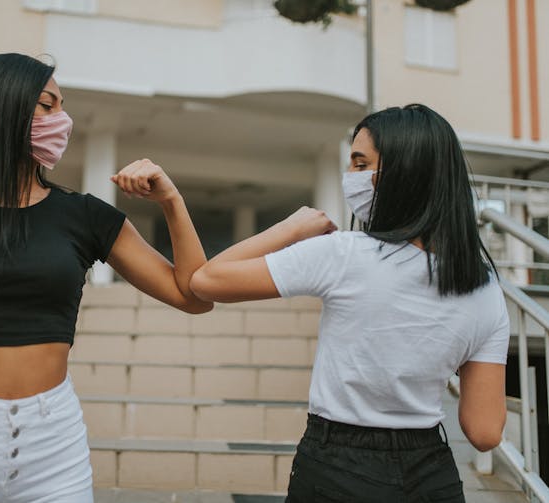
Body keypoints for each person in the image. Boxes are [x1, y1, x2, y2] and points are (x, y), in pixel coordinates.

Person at [0, 53, 212, 502]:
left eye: (63, 106)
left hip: (53, 442)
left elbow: (192, 295)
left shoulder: (85, 216)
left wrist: (171, 201)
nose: (63, 120)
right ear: (1, 108)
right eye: (47, 105)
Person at [191, 104, 509, 502]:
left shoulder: (344, 253)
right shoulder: (484, 286)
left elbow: (205, 280)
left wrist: (291, 227)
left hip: (338, 467)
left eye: (361, 165)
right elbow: (484, 432)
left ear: (405, 174)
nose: (351, 178)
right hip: (431, 475)